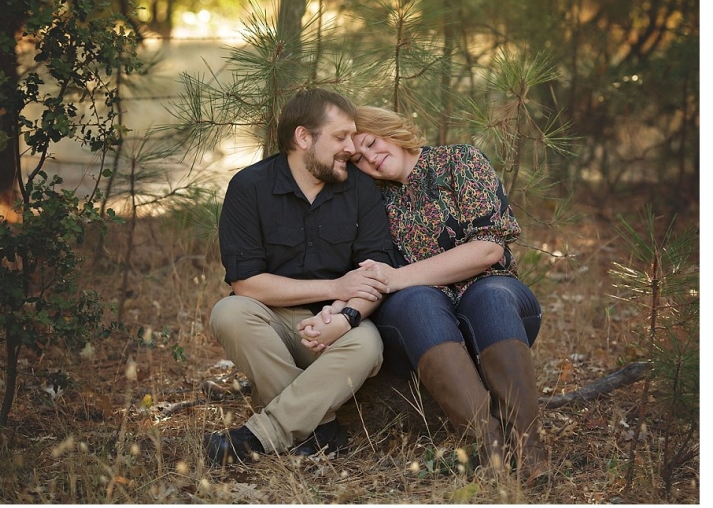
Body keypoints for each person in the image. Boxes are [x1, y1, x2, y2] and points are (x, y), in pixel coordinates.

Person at [299, 106, 549, 482]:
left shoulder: (460, 161)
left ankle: (530, 451)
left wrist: (399, 276)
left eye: (370, 142)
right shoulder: (371, 198)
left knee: (490, 295)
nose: (370, 158)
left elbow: (487, 250)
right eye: (358, 159)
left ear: (390, 130)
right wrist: (336, 311)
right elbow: (364, 269)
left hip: (495, 302)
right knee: (418, 301)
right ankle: (491, 449)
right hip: (419, 324)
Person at [204, 89, 400, 465]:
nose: (352, 148)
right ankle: (321, 427)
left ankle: (259, 436)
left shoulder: (359, 187)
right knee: (229, 313)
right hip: (273, 324)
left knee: (367, 345)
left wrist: (345, 318)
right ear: (303, 138)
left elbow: (376, 274)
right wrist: (334, 285)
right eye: (340, 137)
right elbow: (246, 284)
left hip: (336, 325)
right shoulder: (250, 188)